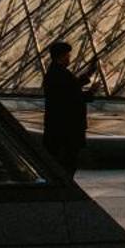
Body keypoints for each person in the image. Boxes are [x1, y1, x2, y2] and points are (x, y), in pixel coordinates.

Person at [41, 39, 99, 177]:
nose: (70, 58)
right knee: (68, 163)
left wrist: (89, 73)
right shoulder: (61, 74)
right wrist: (91, 91)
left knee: (60, 162)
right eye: (68, 55)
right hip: (67, 128)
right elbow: (72, 98)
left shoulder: (55, 72)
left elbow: (70, 87)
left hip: (57, 127)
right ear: (62, 56)